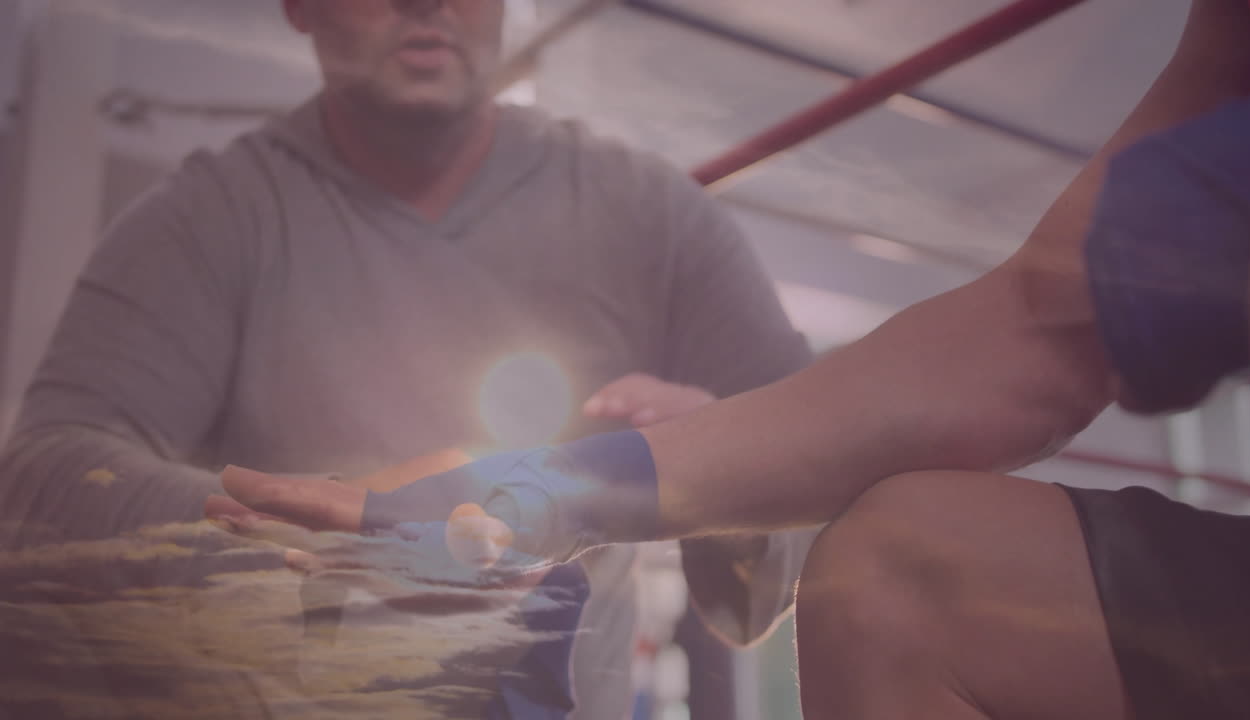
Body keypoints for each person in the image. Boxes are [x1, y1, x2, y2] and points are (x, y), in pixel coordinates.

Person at [217, 1, 1250, 718]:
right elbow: (1035, 331)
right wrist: (550, 487)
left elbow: (749, 580)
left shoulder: (647, 214)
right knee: (895, 568)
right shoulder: (225, 211)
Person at [0, 0, 817, 718]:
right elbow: (44, 476)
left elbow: (823, 467)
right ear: (298, 4)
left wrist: (714, 460)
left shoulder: (653, 216)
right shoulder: (209, 219)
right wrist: (329, 534)